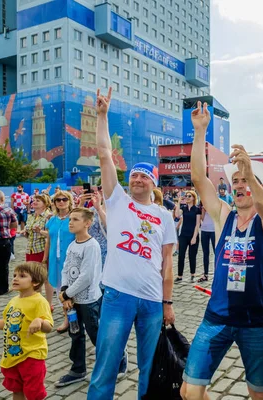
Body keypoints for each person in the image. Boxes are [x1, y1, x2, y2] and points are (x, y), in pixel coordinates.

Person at [181, 102, 263, 400]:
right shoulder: (225, 216)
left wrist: (250, 173)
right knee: (190, 391)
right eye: (235, 181)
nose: (238, 185)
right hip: (217, 317)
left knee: (259, 394)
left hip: (257, 322)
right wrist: (200, 132)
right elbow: (200, 181)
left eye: (245, 181)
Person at [88, 88, 176, 400]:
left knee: (150, 368)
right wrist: (102, 116)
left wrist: (168, 303)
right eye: (134, 176)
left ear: (153, 183)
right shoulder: (117, 201)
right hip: (118, 295)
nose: (137, 180)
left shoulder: (163, 216)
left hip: (152, 300)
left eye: (144, 177)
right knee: (106, 366)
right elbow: (103, 153)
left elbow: (168, 263)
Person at [0, 262, 53, 400]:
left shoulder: (39, 301)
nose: (15, 278)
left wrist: (40, 321)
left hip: (32, 355)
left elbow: (49, 326)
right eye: (14, 275)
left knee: (34, 393)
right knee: (16, 390)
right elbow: (5, 323)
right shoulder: (14, 301)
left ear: (36, 282)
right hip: (13, 356)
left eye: (22, 276)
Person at [55, 207, 103, 387]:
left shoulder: (92, 246)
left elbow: (87, 276)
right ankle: (78, 369)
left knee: (96, 334)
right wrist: (65, 291)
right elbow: (66, 268)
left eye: (75, 219)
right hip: (72, 300)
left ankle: (116, 359)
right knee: (75, 333)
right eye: (70, 219)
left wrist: (67, 293)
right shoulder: (72, 244)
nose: (71, 222)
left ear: (87, 223)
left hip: (88, 300)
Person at [43, 190, 75, 332]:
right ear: (54, 203)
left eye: (64, 199)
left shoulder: (74, 218)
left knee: (71, 291)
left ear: (69, 201)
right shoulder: (52, 220)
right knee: (60, 291)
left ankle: (74, 319)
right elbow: (49, 241)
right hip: (55, 261)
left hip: (71, 260)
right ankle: (67, 318)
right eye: (58, 200)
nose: (61, 202)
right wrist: (44, 259)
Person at [21, 194, 53, 306]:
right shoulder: (31, 216)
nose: (34, 202)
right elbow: (29, 234)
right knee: (34, 278)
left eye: (38, 200)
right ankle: (38, 301)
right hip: (30, 250)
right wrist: (25, 233)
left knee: (45, 278)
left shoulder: (49, 216)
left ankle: (49, 304)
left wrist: (40, 231)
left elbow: (52, 234)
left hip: (42, 250)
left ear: (45, 203)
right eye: (33, 200)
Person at [174, 190, 201, 282]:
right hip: (183, 235)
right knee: (181, 255)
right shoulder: (184, 208)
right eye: (186, 196)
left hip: (193, 235)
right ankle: (179, 275)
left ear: (193, 198)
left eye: (189, 196)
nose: (187, 197)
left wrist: (194, 237)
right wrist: (178, 201)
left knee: (192, 256)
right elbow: (177, 215)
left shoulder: (197, 209)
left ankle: (192, 274)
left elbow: (197, 224)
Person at [198, 201, 216, 283]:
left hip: (214, 230)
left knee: (216, 252)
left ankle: (217, 273)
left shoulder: (215, 203)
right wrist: (203, 210)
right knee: (205, 253)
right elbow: (202, 218)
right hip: (204, 230)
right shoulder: (203, 205)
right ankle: (205, 274)